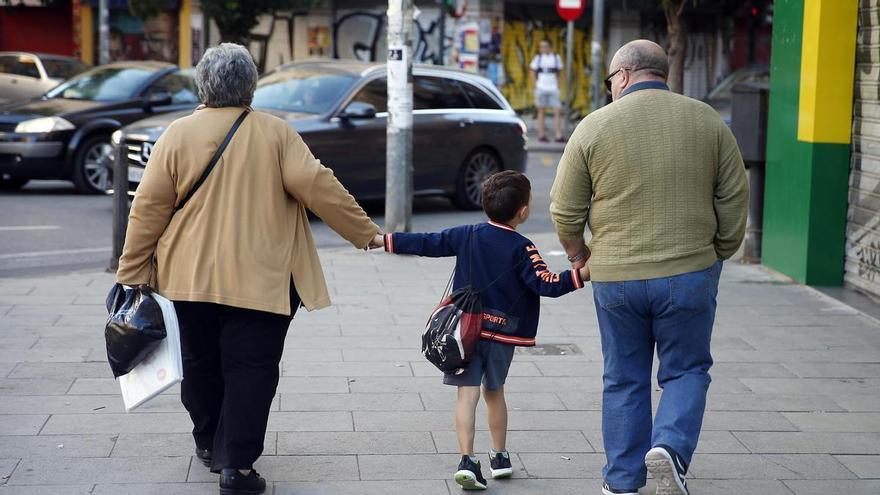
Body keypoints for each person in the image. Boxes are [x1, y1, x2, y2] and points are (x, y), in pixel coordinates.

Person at [116, 43, 382, 495]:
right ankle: (236, 466)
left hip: (187, 280)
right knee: (252, 369)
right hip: (262, 281)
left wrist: (131, 273)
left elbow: (147, 210)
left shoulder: (175, 136)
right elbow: (319, 185)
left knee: (198, 364)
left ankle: (207, 441)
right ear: (251, 87)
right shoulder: (277, 134)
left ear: (202, 84)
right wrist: (365, 233)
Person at [549, 40, 749, 495]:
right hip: (689, 272)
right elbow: (734, 196)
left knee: (622, 377)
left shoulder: (593, 127)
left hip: (616, 277)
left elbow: (564, 211)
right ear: (662, 74)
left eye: (609, 81)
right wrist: (719, 250)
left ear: (622, 76)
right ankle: (670, 450)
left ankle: (621, 482)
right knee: (686, 370)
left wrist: (581, 258)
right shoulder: (707, 120)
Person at [373, 171, 589, 490]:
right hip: (503, 334)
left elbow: (427, 242)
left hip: (464, 334)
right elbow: (546, 284)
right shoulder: (523, 248)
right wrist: (583, 273)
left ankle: (467, 461)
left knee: (467, 394)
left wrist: (383, 240)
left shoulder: (468, 234)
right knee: (494, 392)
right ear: (523, 211)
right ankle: (499, 457)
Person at [530, 39, 565, 143]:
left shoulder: (555, 57)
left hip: (553, 88)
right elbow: (532, 72)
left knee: (557, 111)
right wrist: (535, 86)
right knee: (541, 112)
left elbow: (559, 73)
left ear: (550, 47)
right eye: (541, 47)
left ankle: (558, 135)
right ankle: (541, 135)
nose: (543, 49)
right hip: (541, 88)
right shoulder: (538, 58)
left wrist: (558, 86)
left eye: (545, 46)